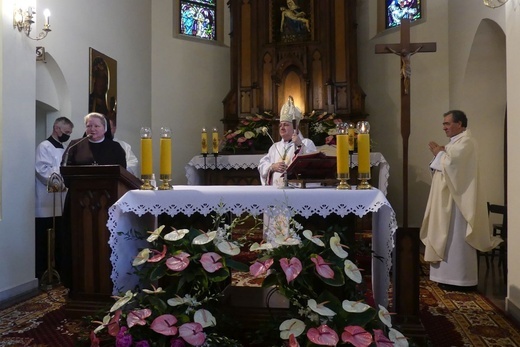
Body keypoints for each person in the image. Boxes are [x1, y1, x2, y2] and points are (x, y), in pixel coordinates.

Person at [420, 110, 502, 291]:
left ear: (459, 124)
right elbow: (443, 166)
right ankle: (444, 276)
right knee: (445, 236)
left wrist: (438, 153)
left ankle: (461, 279)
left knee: (456, 238)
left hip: (458, 203)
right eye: (444, 124)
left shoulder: (467, 142)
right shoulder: (455, 143)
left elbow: (452, 165)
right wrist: (439, 154)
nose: (444, 127)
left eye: (447, 124)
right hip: (446, 199)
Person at [35, 117, 74, 281]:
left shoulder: (65, 148)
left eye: (69, 133)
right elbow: (42, 170)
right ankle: (44, 272)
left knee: (60, 239)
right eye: (66, 132)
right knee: (45, 240)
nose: (67, 136)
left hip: (61, 201)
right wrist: (63, 177)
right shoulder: (44, 146)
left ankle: (58, 270)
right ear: (56, 128)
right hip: (45, 203)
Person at [258, 96, 317, 186]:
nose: (281, 127)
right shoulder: (275, 147)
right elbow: (262, 165)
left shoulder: (306, 143)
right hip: (276, 192)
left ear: (295, 128)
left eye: (285, 125)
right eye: (280, 125)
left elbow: (312, 165)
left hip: (297, 192)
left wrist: (300, 145)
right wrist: (272, 167)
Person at [62, 112, 126, 168]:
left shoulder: (115, 147)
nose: (92, 129)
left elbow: (122, 170)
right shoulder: (75, 145)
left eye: (96, 126)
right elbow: (65, 167)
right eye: (89, 126)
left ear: (105, 128)